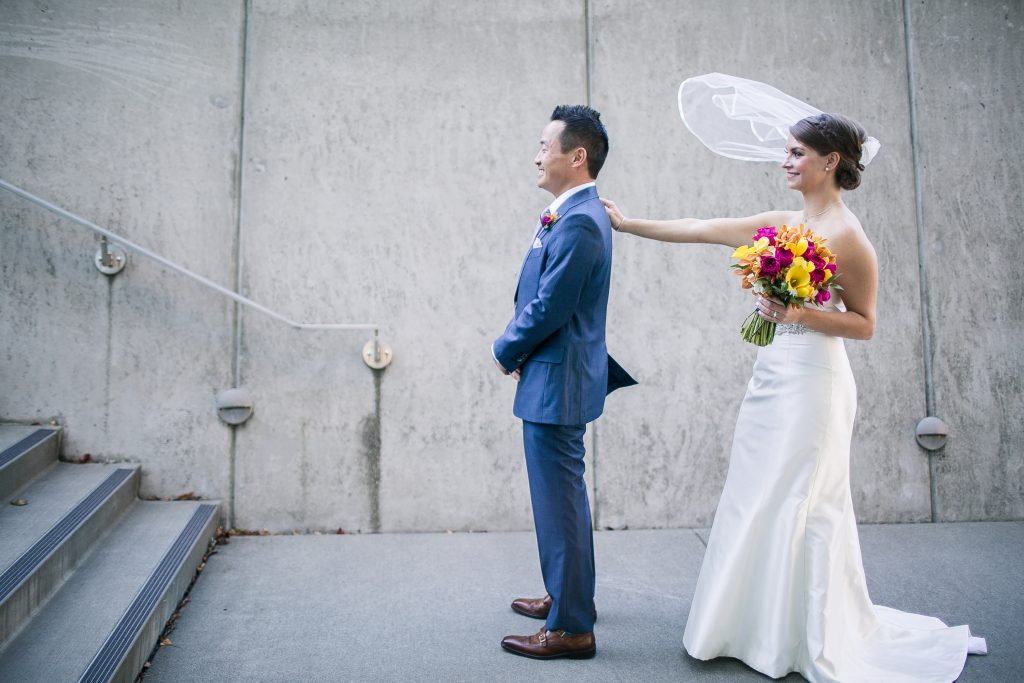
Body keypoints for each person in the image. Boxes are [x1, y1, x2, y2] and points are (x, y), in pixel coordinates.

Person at [602, 112, 985, 682]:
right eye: (786, 151)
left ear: (830, 162)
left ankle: (801, 635)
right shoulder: (785, 223)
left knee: (801, 500)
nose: (785, 161)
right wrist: (630, 225)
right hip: (772, 376)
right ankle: (749, 626)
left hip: (816, 383)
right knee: (756, 492)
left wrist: (797, 312)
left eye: (797, 152)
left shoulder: (850, 238)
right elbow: (705, 227)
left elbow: (866, 323)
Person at [492, 104, 635, 660]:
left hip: (558, 379)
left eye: (544, 146)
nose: (536, 155)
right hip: (555, 374)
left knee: (560, 502)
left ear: (577, 157)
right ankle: (567, 597)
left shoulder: (577, 219)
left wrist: (506, 348)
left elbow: (552, 304)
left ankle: (572, 626)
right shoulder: (571, 211)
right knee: (560, 499)